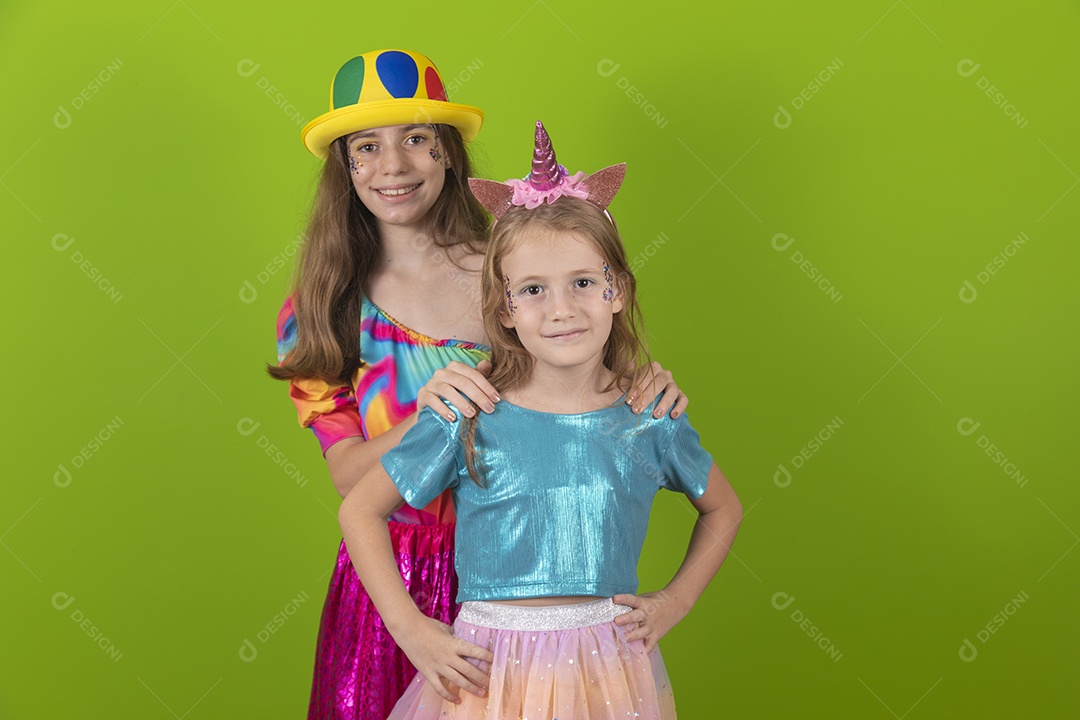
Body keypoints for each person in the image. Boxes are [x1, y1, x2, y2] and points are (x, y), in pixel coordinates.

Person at [272, 52, 688, 719]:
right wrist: (426, 414)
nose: (395, 166)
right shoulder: (323, 308)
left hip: (518, 572)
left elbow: (580, 359)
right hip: (396, 585)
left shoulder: (512, 272)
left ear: (448, 154)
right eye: (366, 148)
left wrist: (639, 378)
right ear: (344, 168)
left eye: (417, 139)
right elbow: (350, 478)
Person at [338, 122, 743, 719]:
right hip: (490, 672)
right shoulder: (471, 412)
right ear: (503, 307)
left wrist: (672, 603)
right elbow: (359, 507)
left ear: (618, 292)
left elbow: (724, 508)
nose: (561, 310)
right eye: (532, 290)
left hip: (607, 672)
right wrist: (413, 631)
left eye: (583, 282)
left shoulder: (648, 417)